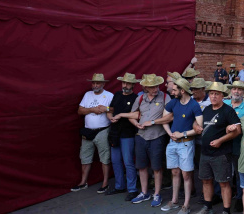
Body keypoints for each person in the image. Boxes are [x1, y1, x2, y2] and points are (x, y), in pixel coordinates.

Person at [114, 74, 172, 205]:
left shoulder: (164, 97)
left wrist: (152, 122)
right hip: (141, 136)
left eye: (156, 86)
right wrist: (136, 124)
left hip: (157, 136)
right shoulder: (140, 98)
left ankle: (157, 194)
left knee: (157, 167)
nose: (155, 89)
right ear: (145, 87)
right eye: (152, 87)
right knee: (141, 166)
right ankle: (144, 193)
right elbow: (133, 114)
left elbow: (169, 117)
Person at [194, 82, 241, 214]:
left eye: (217, 94)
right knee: (206, 180)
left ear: (222, 96)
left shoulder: (228, 110)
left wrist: (221, 140)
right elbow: (196, 121)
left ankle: (226, 210)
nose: (213, 96)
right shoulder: (207, 109)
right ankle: (207, 207)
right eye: (212, 93)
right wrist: (195, 127)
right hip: (205, 153)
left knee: (224, 183)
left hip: (221, 154)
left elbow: (237, 130)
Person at [160, 78, 203, 214]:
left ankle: (186, 204)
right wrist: (170, 133)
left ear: (182, 91)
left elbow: (199, 127)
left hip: (186, 143)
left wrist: (182, 134)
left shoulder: (194, 105)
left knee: (186, 175)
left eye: (174, 90)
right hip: (173, 143)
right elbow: (164, 119)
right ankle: (174, 201)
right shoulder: (173, 102)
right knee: (175, 172)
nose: (172, 92)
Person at [71, 73, 113, 193]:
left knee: (104, 158)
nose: (95, 85)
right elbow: (80, 110)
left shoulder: (109, 95)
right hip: (88, 130)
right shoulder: (87, 95)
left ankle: (105, 183)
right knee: (85, 157)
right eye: (93, 83)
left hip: (102, 130)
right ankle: (83, 182)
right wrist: (92, 109)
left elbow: (115, 108)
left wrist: (106, 109)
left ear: (103, 84)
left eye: (98, 83)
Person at [105, 73, 139, 201]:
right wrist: (110, 116)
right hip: (115, 132)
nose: (125, 85)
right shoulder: (117, 95)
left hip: (127, 133)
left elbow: (136, 114)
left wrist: (120, 116)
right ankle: (119, 186)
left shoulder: (136, 98)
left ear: (133, 85)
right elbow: (111, 108)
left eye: (128, 83)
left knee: (128, 161)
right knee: (115, 160)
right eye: (124, 83)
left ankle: (132, 189)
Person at [225, 81, 244, 212]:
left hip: (239, 145)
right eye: (234, 89)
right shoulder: (224, 104)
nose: (236, 91)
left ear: (243, 92)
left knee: (238, 173)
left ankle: (240, 198)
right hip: (223, 145)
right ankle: (221, 196)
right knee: (223, 172)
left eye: (239, 90)